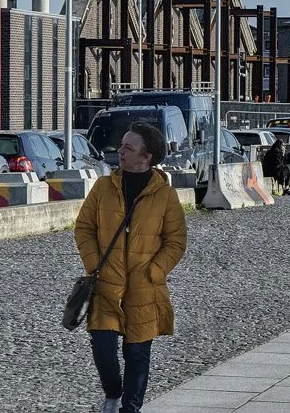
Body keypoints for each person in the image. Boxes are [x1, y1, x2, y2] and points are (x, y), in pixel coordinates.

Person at [75, 119, 188, 413]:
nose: (120, 151)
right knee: (103, 348)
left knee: (137, 352)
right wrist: (93, 264)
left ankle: (131, 408)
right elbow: (84, 228)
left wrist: (155, 271)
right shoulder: (103, 187)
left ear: (146, 156)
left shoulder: (165, 195)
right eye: (121, 145)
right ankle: (113, 392)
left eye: (129, 147)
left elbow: (175, 241)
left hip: (144, 286)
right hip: (106, 283)